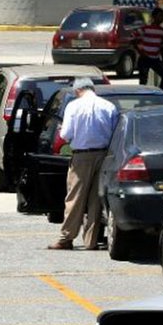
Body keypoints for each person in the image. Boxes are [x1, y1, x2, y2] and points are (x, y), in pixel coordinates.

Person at [48, 78, 118, 251]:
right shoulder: (109, 106)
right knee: (96, 199)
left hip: (81, 156)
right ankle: (91, 241)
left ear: (78, 90)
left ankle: (66, 238)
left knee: (75, 198)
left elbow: (65, 134)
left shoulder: (73, 106)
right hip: (103, 155)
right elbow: (115, 133)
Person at [136, 8, 163, 88]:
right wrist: (141, 51)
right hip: (145, 58)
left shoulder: (162, 31)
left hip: (155, 59)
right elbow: (133, 39)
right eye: (159, 16)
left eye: (162, 16)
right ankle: (142, 97)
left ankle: (161, 94)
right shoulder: (146, 28)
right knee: (143, 81)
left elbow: (161, 47)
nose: (162, 18)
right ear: (154, 17)